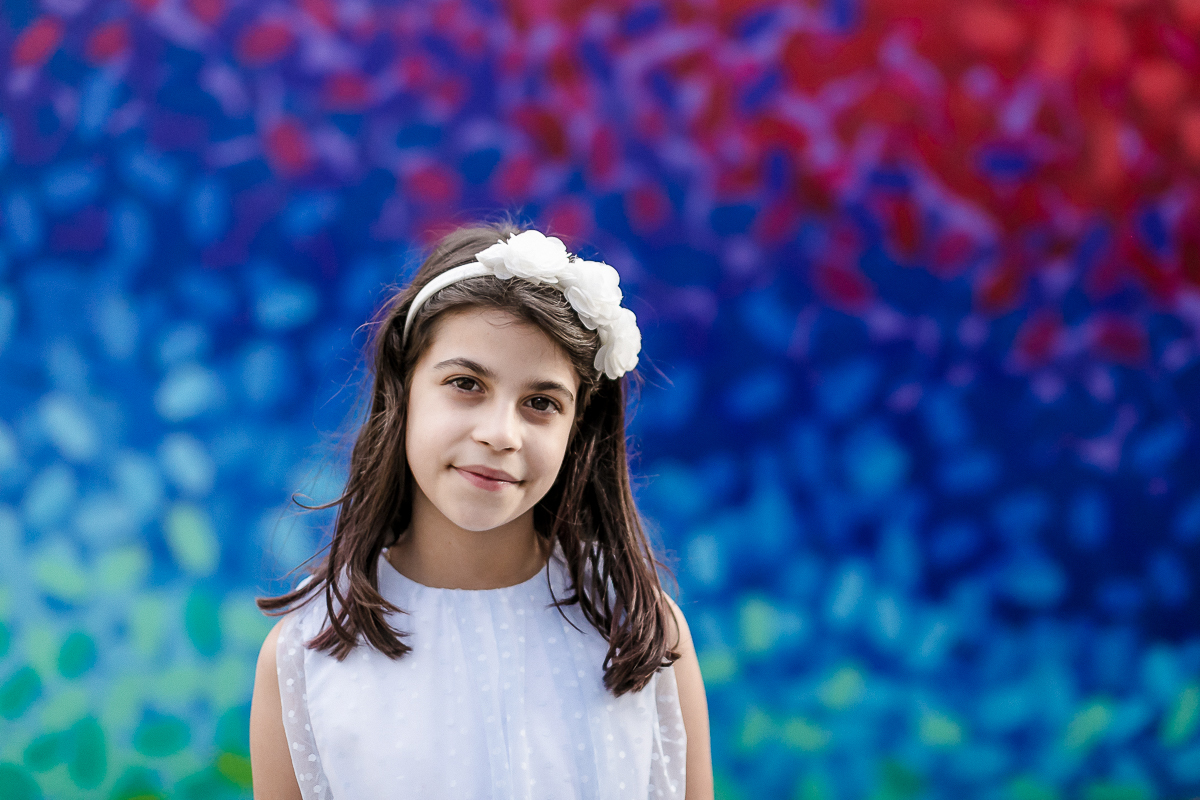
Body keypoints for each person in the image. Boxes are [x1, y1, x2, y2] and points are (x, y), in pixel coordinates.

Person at [248, 220, 713, 799]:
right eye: (466, 383)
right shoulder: (306, 655)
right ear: (404, 387)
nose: (500, 434)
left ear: (577, 427)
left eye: (541, 402)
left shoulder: (641, 631)